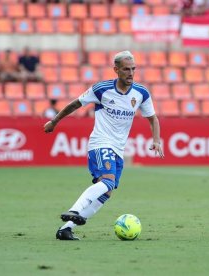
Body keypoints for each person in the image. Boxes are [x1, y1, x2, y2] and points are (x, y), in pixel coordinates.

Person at [44, 50, 165, 240]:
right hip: (100, 143)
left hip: (118, 149)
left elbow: (153, 119)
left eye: (133, 69)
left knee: (107, 192)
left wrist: (156, 140)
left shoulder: (141, 93)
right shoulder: (101, 89)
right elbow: (75, 104)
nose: (131, 73)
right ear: (116, 70)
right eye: (126, 69)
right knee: (107, 181)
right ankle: (74, 209)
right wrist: (54, 121)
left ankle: (65, 229)